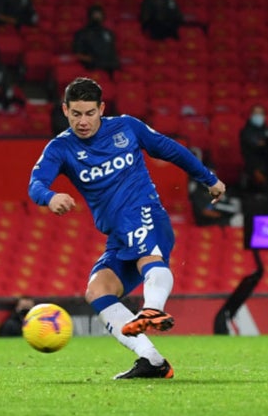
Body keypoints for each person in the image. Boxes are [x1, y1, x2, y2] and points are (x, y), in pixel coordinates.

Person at [28, 77, 226, 380]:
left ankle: (153, 308)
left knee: (149, 258)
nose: (83, 121)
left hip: (146, 213)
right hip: (118, 236)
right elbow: (36, 183)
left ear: (101, 109)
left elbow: (171, 149)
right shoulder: (61, 148)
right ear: (65, 110)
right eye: (76, 113)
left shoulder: (126, 128)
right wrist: (50, 196)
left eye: (90, 113)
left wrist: (208, 178)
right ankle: (152, 361)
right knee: (98, 290)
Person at [71, 4, 119, 77]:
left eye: (99, 14)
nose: (97, 16)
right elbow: (78, 53)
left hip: (109, 66)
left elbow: (113, 50)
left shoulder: (108, 33)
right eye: (95, 14)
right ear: (90, 16)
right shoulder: (82, 33)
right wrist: (91, 60)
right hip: (92, 67)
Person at [240, 104, 268, 193]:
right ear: (251, 115)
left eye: (261, 114)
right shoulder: (246, 131)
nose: (258, 116)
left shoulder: (265, 130)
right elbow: (255, 145)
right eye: (256, 113)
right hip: (254, 167)